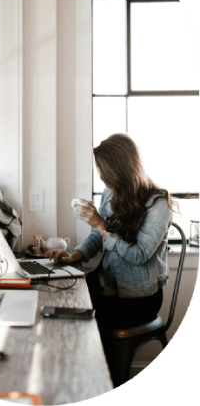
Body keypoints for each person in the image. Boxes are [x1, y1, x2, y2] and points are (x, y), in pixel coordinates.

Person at [46, 133, 177, 375]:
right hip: (107, 283)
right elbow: (98, 237)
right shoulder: (110, 193)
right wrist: (74, 255)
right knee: (57, 304)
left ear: (120, 169)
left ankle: (102, 380)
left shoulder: (159, 204)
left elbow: (139, 255)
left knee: (85, 323)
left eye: (104, 171)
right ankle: (71, 377)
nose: (102, 177)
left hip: (139, 298)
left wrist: (99, 224)